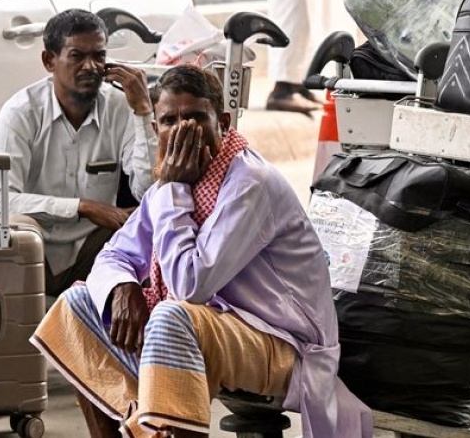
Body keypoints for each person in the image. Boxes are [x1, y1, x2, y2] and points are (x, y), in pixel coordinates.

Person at [30, 65, 371, 438]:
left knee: (172, 317)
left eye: (195, 118)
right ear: (156, 128)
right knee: (77, 305)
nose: (182, 131)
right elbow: (113, 256)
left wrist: (176, 190)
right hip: (222, 326)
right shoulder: (168, 184)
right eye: (170, 121)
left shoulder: (247, 183)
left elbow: (190, 284)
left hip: (286, 342)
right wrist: (122, 287)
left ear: (222, 123)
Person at [0, 9, 157, 297]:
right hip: (33, 253)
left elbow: (147, 191)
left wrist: (143, 112)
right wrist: (81, 207)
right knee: (14, 230)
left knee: (149, 222)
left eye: (98, 56)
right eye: (77, 56)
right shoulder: (21, 112)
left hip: (97, 252)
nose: (90, 66)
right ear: (50, 61)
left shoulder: (120, 107)